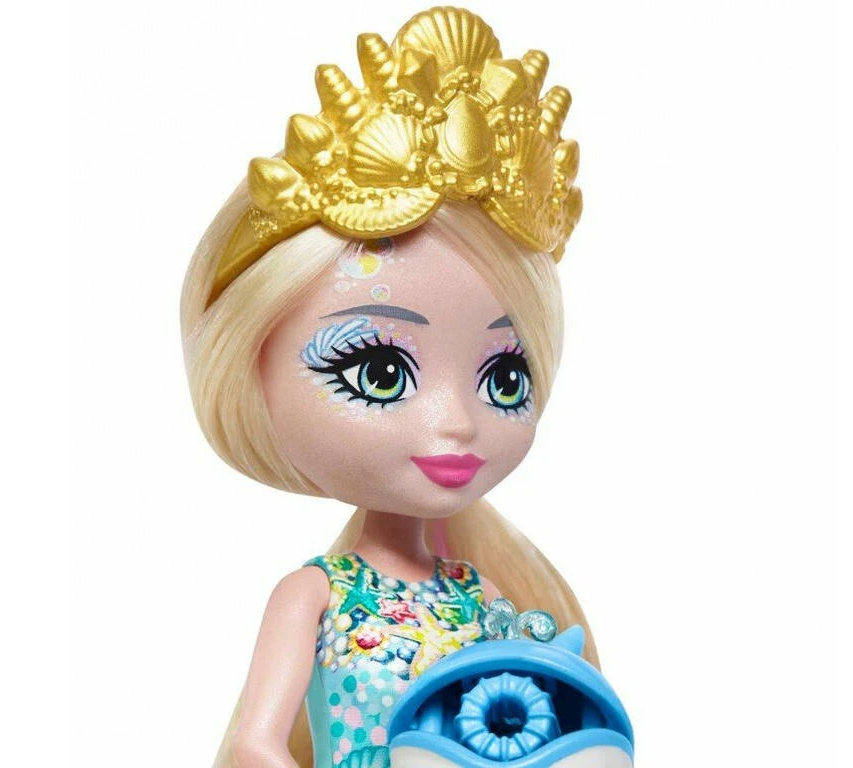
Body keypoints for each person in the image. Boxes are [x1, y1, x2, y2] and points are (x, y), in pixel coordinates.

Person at [179, 7, 596, 767]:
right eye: (379, 372)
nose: (457, 423)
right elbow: (255, 745)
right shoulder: (315, 595)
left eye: (505, 377)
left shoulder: (482, 595)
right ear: (254, 365)